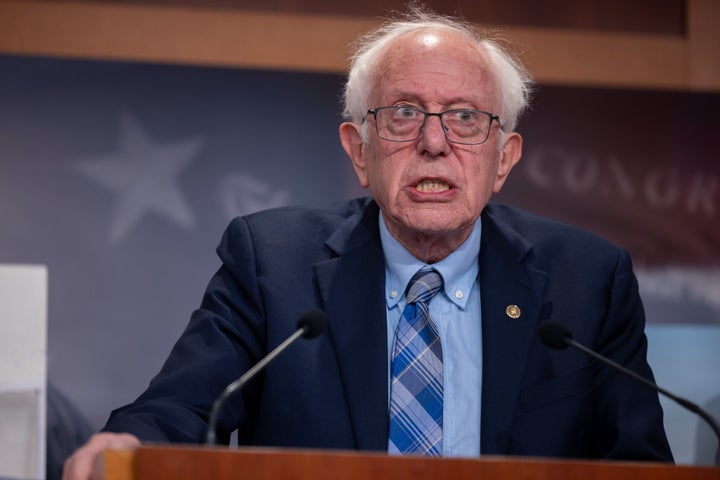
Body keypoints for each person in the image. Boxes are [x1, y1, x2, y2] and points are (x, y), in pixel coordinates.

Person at [62, 7, 673, 479]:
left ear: (503, 160)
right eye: (404, 113)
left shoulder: (588, 281)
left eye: (465, 118)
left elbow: (640, 465)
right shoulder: (274, 262)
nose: (435, 144)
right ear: (359, 150)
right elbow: (184, 409)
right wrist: (132, 446)